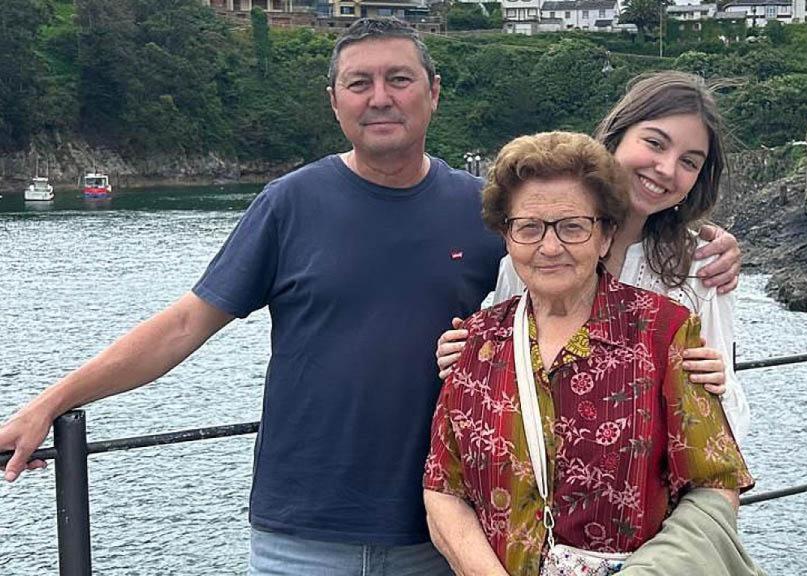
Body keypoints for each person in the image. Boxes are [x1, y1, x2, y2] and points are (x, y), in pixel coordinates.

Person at [0, 19, 742, 575]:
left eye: (400, 79)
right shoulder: (289, 203)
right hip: (304, 529)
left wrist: (700, 251)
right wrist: (48, 404)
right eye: (360, 83)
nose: (380, 98)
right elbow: (185, 324)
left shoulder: (485, 209)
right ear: (334, 101)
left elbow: (584, 254)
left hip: (444, 537)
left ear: (434, 92)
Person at [423, 131, 756, 576]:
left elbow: (715, 482)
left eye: (573, 226)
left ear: (605, 235)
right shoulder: (478, 342)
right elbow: (444, 488)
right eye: (529, 227)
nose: (550, 247)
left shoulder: (664, 332)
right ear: (507, 236)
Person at [436, 71, 751, 444]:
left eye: (690, 162)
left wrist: (719, 388)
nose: (666, 168)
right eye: (654, 143)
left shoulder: (702, 267)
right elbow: (503, 374)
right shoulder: (529, 257)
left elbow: (730, 422)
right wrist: (468, 352)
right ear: (617, 136)